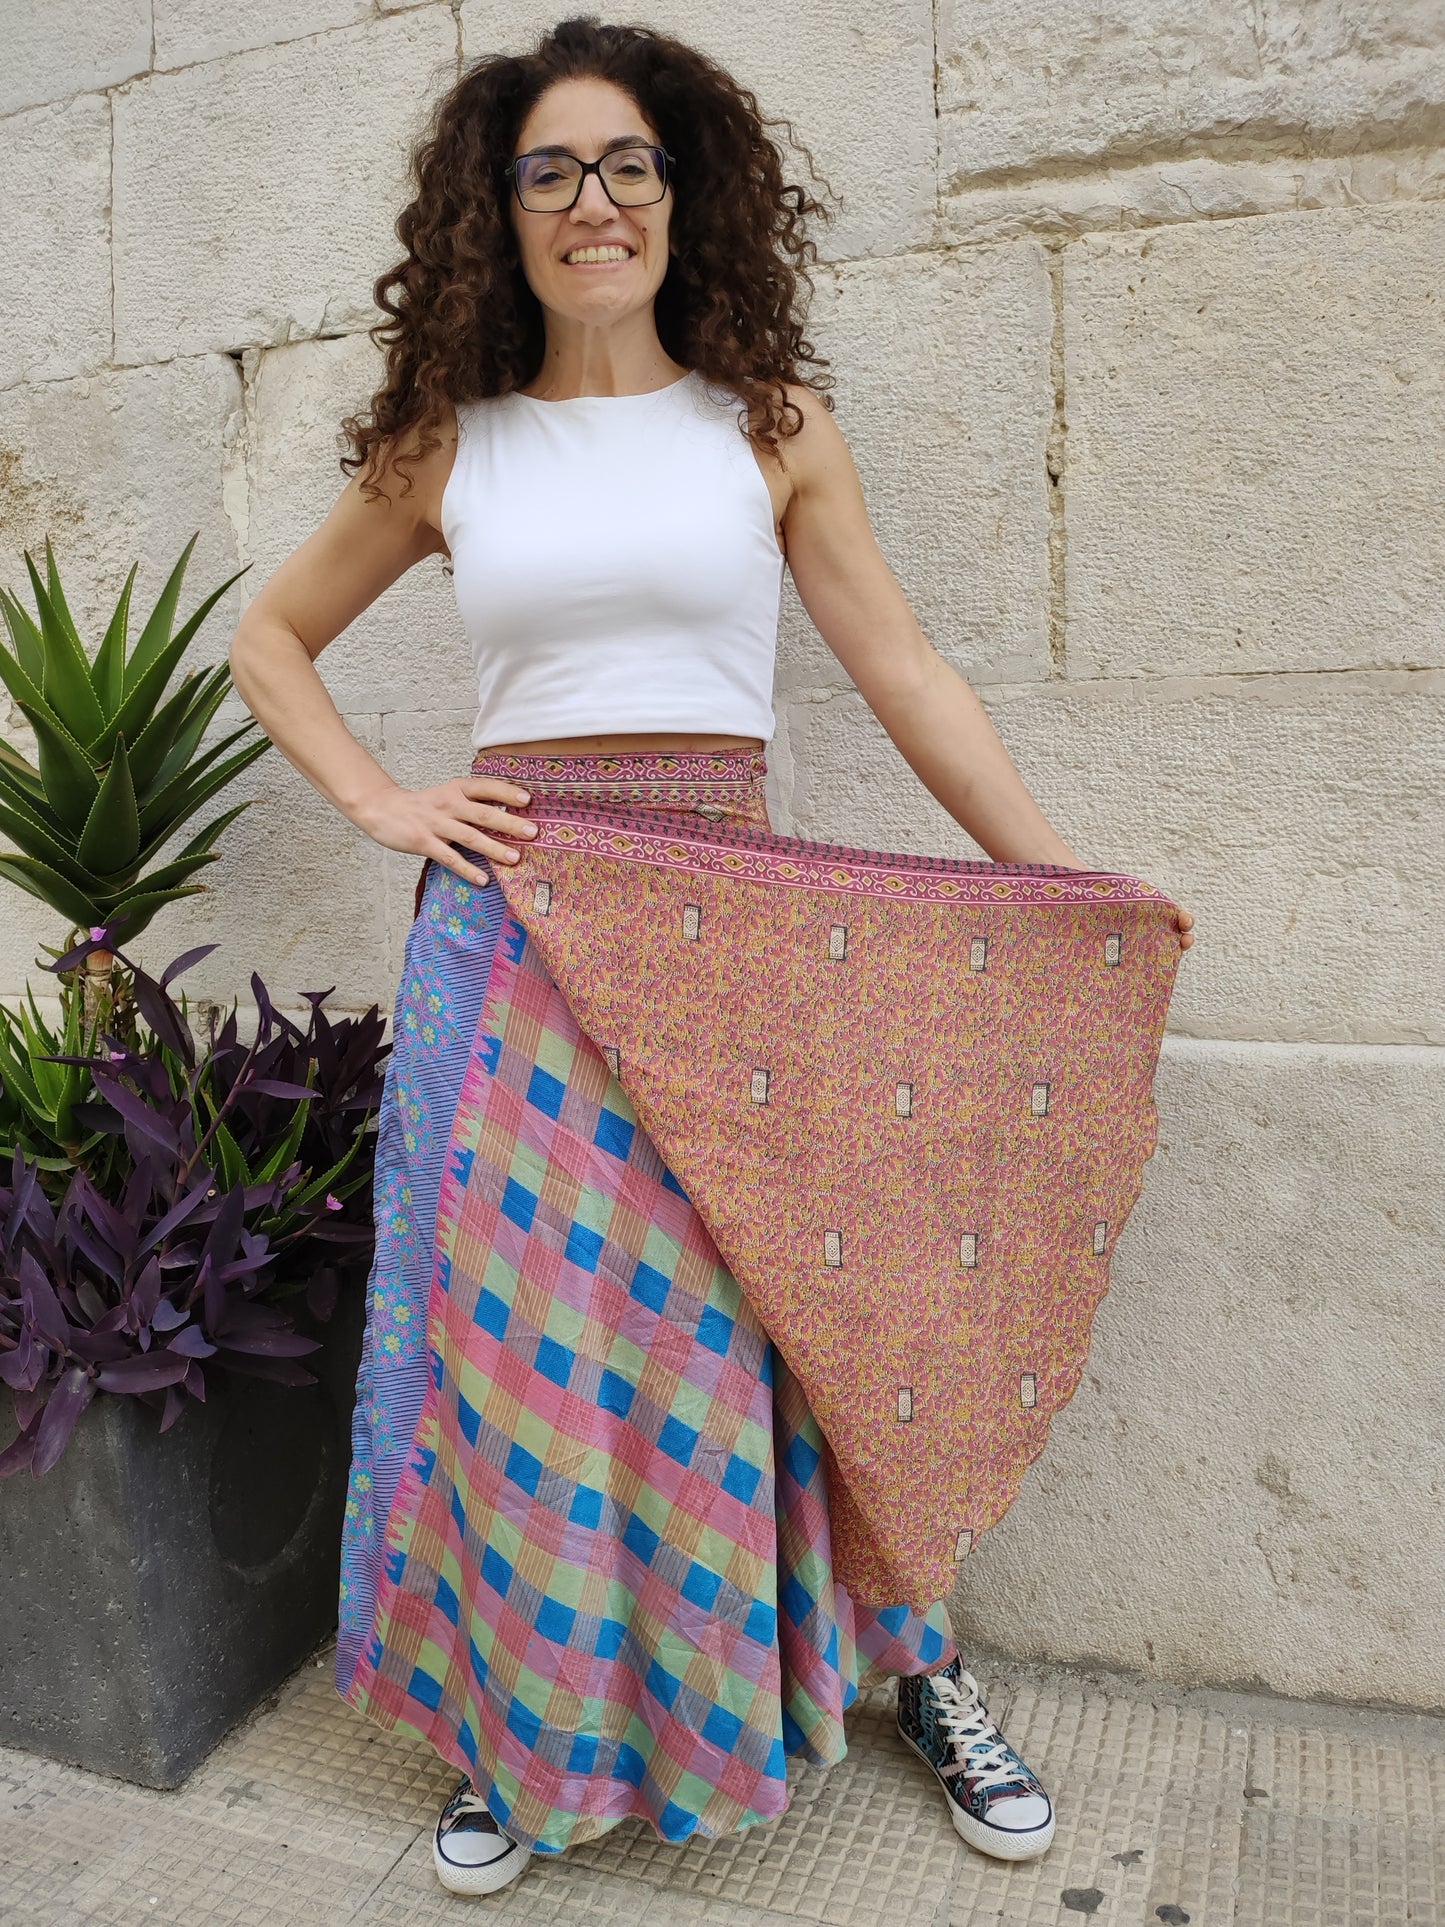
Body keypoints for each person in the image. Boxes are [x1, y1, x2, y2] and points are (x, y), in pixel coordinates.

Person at [229, 15, 1194, 1900]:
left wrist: (1058, 883)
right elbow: (274, 639)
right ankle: (522, 1732)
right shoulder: (446, 440)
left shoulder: (768, 426)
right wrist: (382, 800)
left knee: (802, 1328)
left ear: (683, 194)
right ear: (498, 210)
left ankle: (910, 1671)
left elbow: (902, 669)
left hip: (731, 949)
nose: (593, 202)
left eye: (628, 166)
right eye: (551, 171)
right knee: (525, 1349)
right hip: (513, 945)